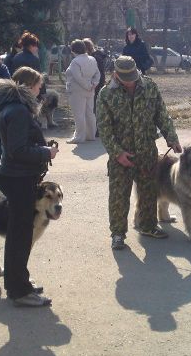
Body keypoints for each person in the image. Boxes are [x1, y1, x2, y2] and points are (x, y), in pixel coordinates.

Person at [97, 56, 182, 250]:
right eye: (125, 78)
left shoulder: (149, 87)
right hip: (121, 154)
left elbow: (161, 114)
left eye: (133, 76)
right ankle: (118, 234)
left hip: (147, 151)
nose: (130, 81)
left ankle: (148, 226)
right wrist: (117, 153)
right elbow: (104, 128)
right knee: (119, 195)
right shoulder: (105, 94)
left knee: (148, 192)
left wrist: (172, 137)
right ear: (116, 75)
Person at [0, 67, 59, 307]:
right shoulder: (19, 111)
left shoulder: (10, 107)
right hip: (19, 178)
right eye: (38, 85)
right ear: (27, 86)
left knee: (18, 235)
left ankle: (19, 282)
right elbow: (18, 150)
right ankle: (19, 290)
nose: (40, 89)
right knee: (20, 237)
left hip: (15, 176)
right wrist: (46, 152)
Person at [65, 39, 100, 144]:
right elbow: (97, 74)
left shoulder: (75, 61)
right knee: (89, 113)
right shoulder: (92, 59)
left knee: (78, 114)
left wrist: (87, 86)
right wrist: (93, 84)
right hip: (90, 90)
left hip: (77, 91)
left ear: (74, 50)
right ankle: (91, 135)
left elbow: (77, 77)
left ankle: (79, 137)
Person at [9, 31, 45, 98]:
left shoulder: (16, 57)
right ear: (31, 46)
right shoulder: (34, 59)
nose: (37, 48)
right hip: (31, 91)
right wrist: (43, 93)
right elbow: (39, 78)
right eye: (36, 46)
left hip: (17, 91)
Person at [84, 38, 107, 112]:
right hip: (96, 84)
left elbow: (99, 73)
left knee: (94, 107)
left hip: (96, 84)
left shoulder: (96, 58)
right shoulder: (96, 56)